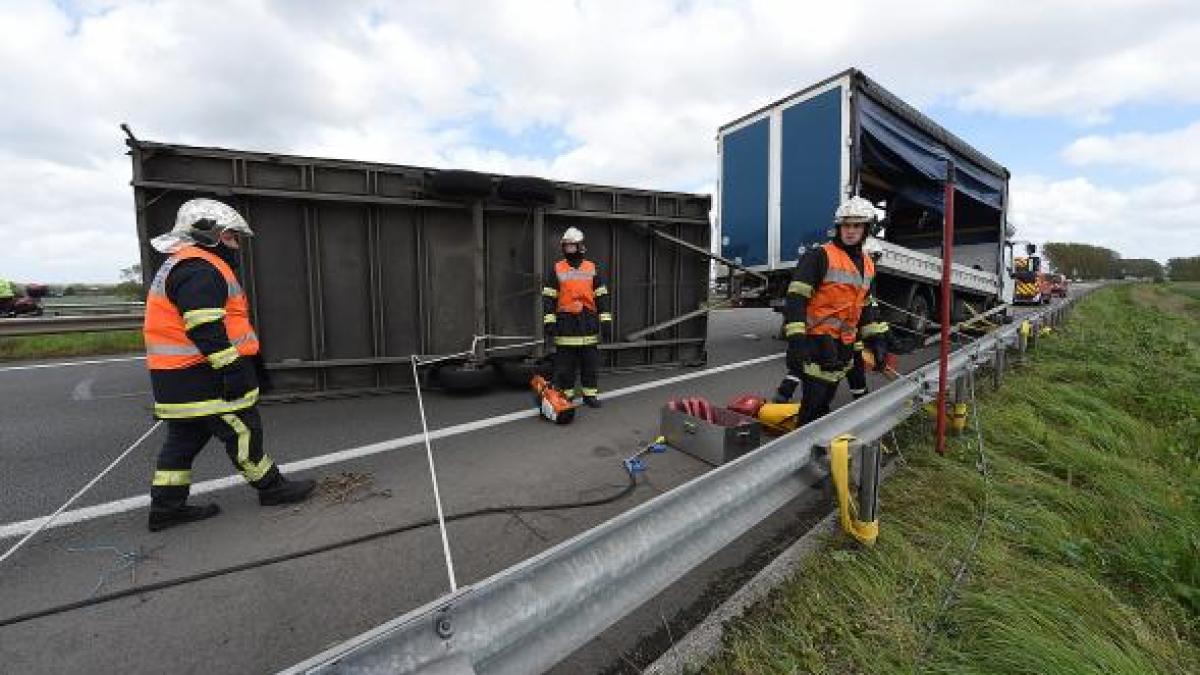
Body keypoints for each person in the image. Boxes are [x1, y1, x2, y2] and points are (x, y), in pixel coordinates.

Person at [143, 198, 314, 531]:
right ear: (212, 234)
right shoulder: (200, 268)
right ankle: (272, 488)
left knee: (183, 442)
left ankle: (166, 507)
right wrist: (232, 370)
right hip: (203, 377)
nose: (237, 245)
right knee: (245, 431)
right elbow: (205, 328)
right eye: (234, 237)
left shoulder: (179, 264)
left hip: (175, 379)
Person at [773, 196, 889, 425]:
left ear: (867, 229)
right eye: (846, 225)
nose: (851, 230)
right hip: (817, 344)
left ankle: (818, 451)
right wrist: (796, 343)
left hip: (843, 347)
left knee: (825, 404)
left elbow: (865, 307)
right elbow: (795, 300)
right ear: (838, 227)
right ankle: (799, 453)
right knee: (813, 407)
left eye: (857, 225)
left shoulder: (867, 265)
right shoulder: (819, 256)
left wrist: (876, 341)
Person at [541, 227, 613, 409]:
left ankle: (590, 396)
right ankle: (566, 396)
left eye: (572, 247)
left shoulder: (591, 267)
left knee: (590, 363)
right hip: (565, 323)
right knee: (565, 365)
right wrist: (549, 321)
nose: (568, 250)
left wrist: (605, 321)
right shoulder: (557, 268)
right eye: (566, 247)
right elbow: (549, 297)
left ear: (580, 247)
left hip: (587, 321)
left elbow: (601, 295)